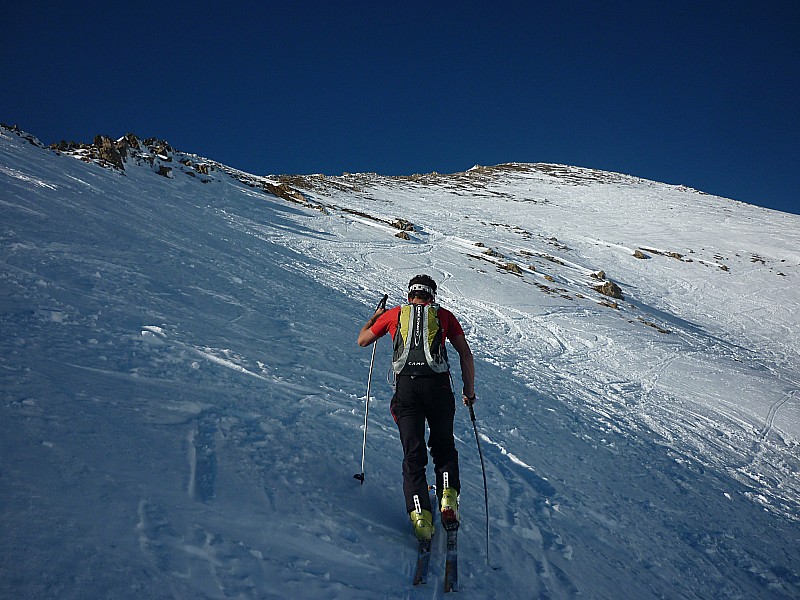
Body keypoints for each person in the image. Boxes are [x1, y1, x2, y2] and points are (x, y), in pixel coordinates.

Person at [357, 274, 476, 541]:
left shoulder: (396, 315)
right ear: (432, 296)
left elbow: (363, 340)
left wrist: (376, 317)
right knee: (444, 446)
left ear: (410, 296)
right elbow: (465, 354)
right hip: (439, 389)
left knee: (413, 454)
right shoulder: (444, 316)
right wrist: (469, 391)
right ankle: (447, 497)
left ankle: (420, 517)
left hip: (407, 391)